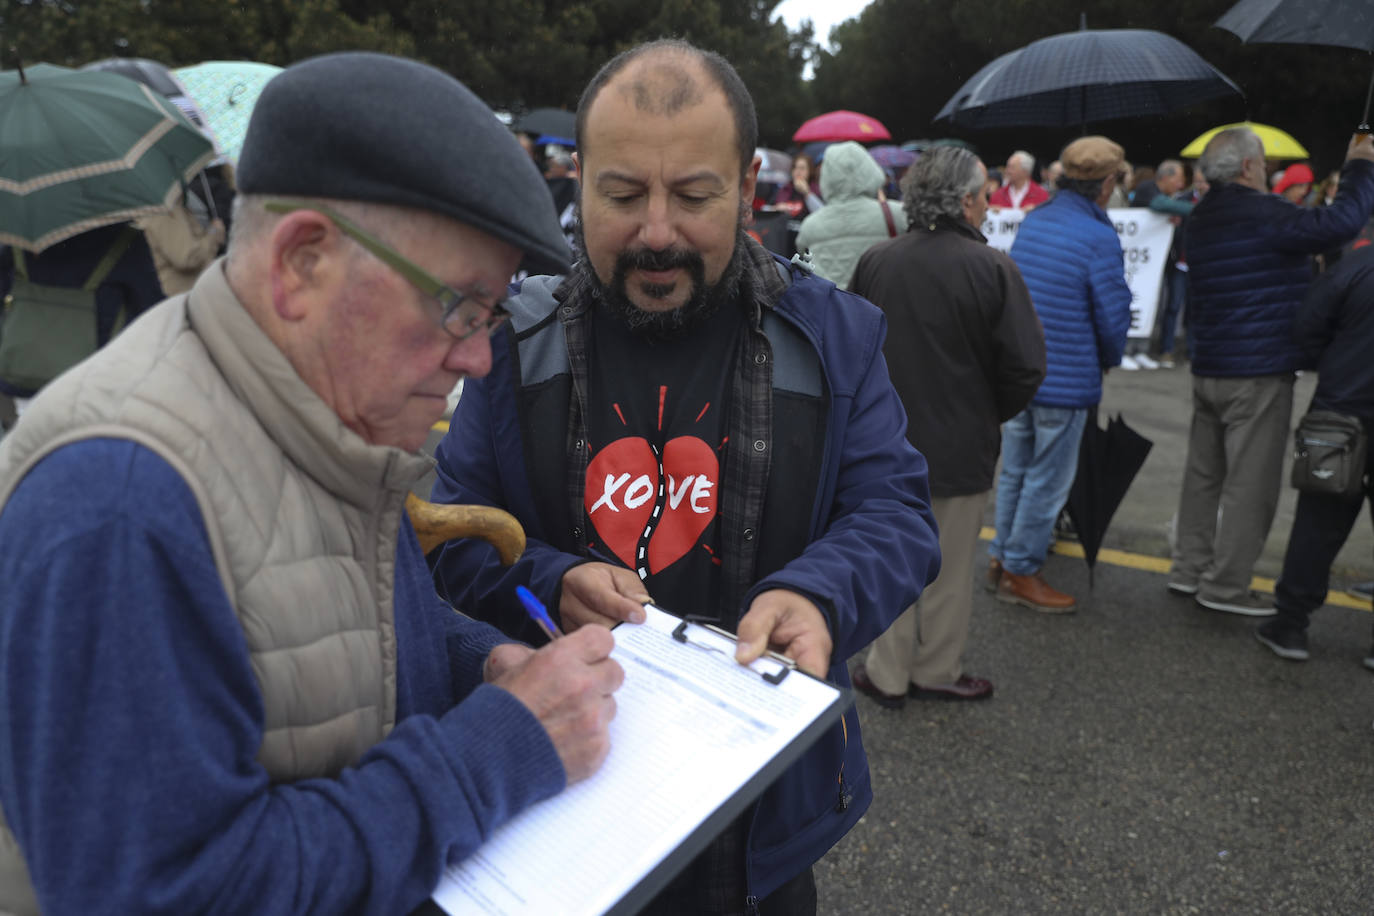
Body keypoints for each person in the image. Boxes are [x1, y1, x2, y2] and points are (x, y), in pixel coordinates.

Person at [0, 52, 626, 915]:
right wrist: (497, 750)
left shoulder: (322, 408)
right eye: (460, 308)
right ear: (302, 263)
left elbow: (337, 609)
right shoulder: (121, 507)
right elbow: (170, 895)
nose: (480, 357)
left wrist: (483, 663)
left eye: (493, 315)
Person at [427, 38, 939, 912]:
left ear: (748, 188)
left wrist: (820, 594)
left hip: (759, 832)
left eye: (694, 196)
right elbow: (451, 536)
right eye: (622, 195)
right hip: (561, 804)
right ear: (577, 180)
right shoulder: (509, 343)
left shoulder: (836, 338)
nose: (655, 232)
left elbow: (895, 513)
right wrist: (550, 579)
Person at [848, 146, 1046, 706]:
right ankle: (934, 671)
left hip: (886, 443)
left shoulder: (878, 260)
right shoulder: (992, 268)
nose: (988, 204)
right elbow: (1026, 365)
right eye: (984, 194)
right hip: (961, 447)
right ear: (964, 201)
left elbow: (854, 353)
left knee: (890, 559)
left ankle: (886, 674)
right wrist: (986, 412)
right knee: (950, 569)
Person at [1168, 127, 1374, 615]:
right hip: (1257, 371)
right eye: (1261, 161)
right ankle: (1226, 586)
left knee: (1203, 476)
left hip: (1210, 365)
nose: (1265, 168)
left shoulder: (1200, 219)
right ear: (1247, 168)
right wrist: (1361, 165)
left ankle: (1188, 569)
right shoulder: (1265, 214)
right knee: (1249, 486)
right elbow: (1343, 223)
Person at [989, 136, 1133, 613]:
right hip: (1067, 377)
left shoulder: (1037, 220)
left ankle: (1001, 558)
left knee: (1014, 470)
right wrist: (1108, 360)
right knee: (1046, 480)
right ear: (1108, 182)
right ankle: (1022, 570)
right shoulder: (1098, 236)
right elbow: (1112, 318)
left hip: (1021, 370)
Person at [1257, 247, 1374, 666]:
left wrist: (1337, 362)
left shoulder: (1354, 269)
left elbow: (1306, 327)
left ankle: (1290, 623)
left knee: (1316, 521)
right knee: (1316, 521)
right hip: (1340, 410)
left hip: (1336, 412)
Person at [0, 221, 164, 409]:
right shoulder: (125, 239)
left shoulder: (19, 241)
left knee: (31, 432)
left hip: (26, 372)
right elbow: (151, 308)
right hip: (97, 378)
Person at [795, 140, 899, 289]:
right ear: (869, 170)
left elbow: (803, 255)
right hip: (880, 303)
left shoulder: (810, 226)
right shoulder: (895, 214)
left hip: (833, 308)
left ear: (826, 176)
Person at [135, 194, 227, 295]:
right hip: (186, 296)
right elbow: (189, 257)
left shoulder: (152, 207)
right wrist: (214, 234)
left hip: (185, 295)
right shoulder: (162, 210)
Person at [771, 151, 823, 216]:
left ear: (810, 171)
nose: (798, 171)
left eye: (802, 168)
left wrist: (807, 193)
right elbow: (774, 207)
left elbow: (821, 213)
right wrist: (778, 207)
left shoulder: (816, 189)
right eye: (795, 168)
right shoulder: (786, 188)